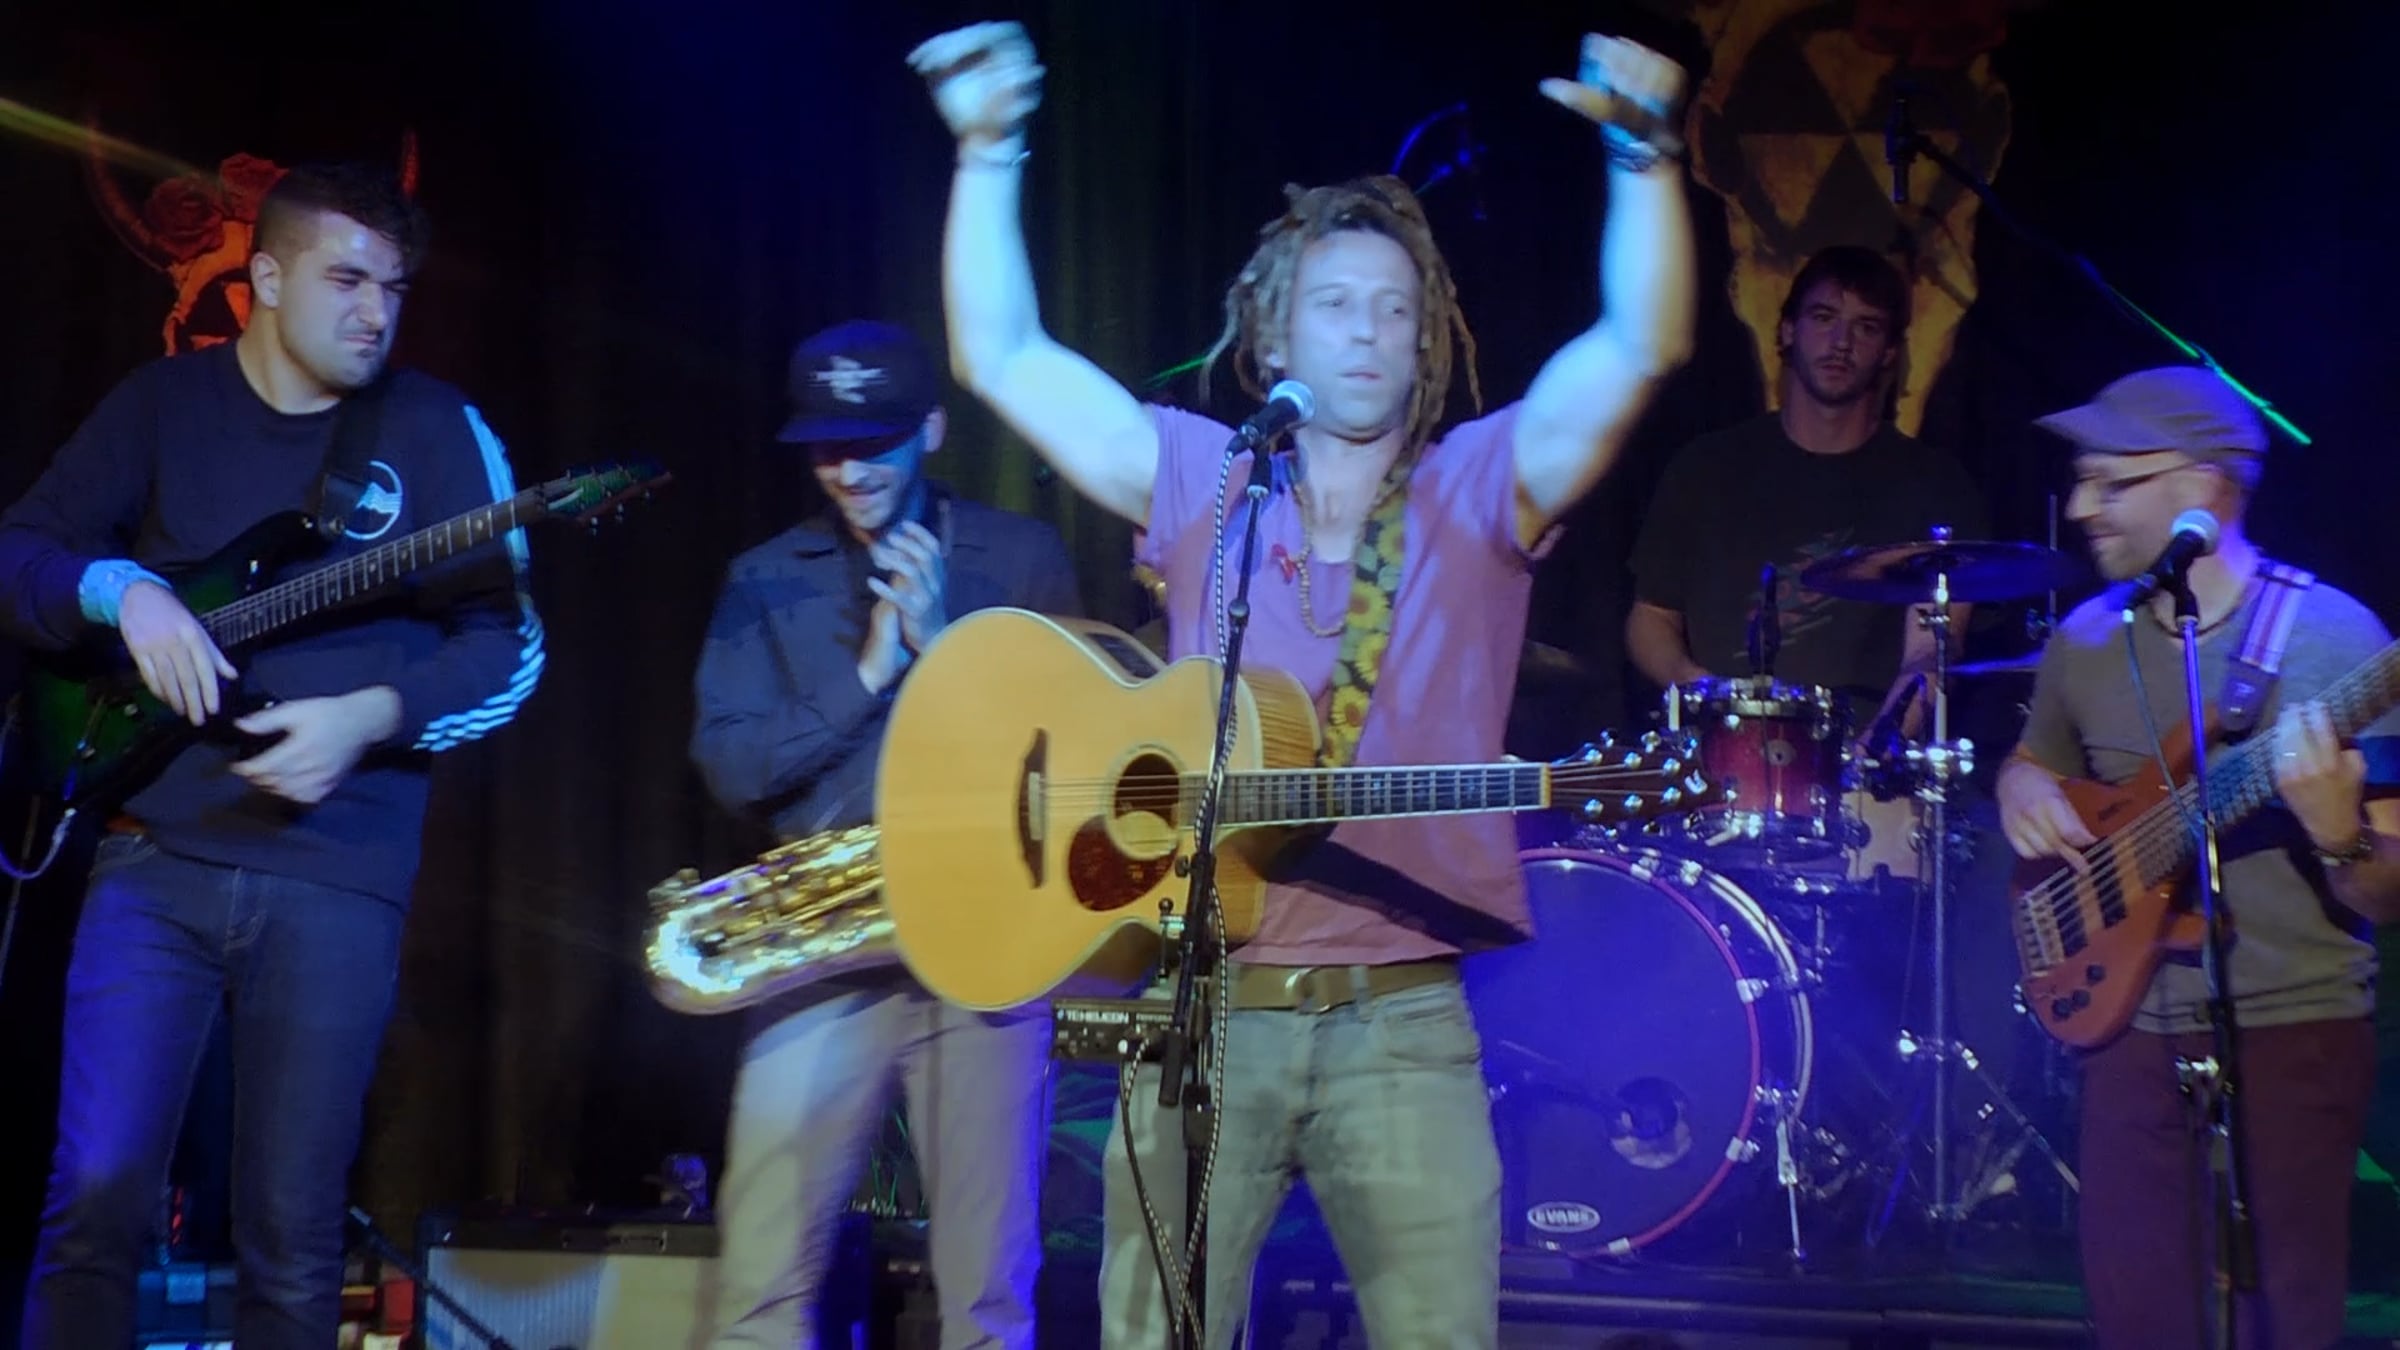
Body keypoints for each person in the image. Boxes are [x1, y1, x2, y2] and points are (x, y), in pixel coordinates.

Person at [909, 21, 1695, 1348]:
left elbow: (1637, 348)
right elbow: (1004, 358)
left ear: (1427, 335)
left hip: (1405, 1026)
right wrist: (990, 152)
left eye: (1395, 308)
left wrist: (1646, 165)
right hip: (1205, 1013)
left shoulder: (1479, 485)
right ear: (1277, 324)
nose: (1369, 332)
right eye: (1337, 304)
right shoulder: (1200, 473)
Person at [0, 162, 544, 1350]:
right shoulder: (162, 404)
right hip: (152, 858)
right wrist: (121, 589)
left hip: (337, 876)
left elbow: (508, 647)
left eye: (393, 288)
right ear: (265, 279)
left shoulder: (437, 428)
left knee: (291, 1239)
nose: (375, 312)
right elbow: (19, 553)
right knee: (93, 1200)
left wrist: (370, 717)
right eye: (346, 281)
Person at [687, 319, 1083, 1349]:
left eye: (874, 443)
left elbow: (1075, 765)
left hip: (986, 952)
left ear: (933, 430)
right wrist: (869, 670)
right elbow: (732, 769)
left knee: (986, 1300)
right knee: (760, 1290)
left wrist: (944, 646)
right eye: (826, 447)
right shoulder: (762, 578)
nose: (850, 470)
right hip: (819, 949)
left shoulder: (1023, 558)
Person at [1995, 365, 2400, 1348]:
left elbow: (2387, 897)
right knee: (2136, 1319)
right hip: (2130, 1031)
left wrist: (2340, 833)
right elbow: (2030, 762)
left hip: (2292, 1029)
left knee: (2284, 1322)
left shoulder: (2338, 639)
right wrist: (2020, 787)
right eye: (2082, 481)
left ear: (2203, 488)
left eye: (2111, 482)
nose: (2080, 509)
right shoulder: (2087, 640)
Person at [1626, 244, 1987, 733]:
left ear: (1889, 351)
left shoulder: (1935, 485)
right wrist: (1697, 685)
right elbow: (1651, 617)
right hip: (1719, 748)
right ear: (1786, 330)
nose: (1841, 342)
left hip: (1856, 756)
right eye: (1823, 318)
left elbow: (1931, 656)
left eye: (1866, 327)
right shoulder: (1705, 467)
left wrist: (1873, 753)